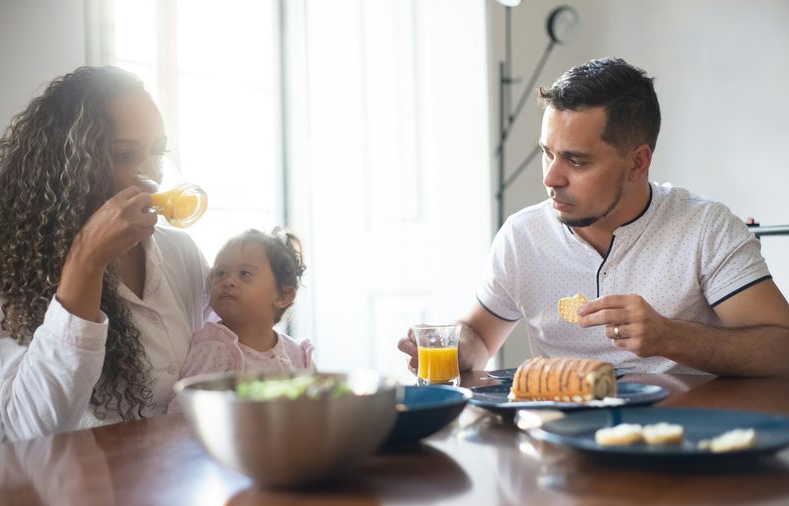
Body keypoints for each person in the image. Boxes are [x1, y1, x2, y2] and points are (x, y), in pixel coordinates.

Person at [399, 57, 789, 377]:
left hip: (679, 440)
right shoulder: (523, 236)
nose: (551, 177)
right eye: (547, 153)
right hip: (558, 444)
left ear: (637, 162)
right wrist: (451, 347)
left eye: (576, 160)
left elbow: (782, 348)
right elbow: (481, 340)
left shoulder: (705, 228)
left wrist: (671, 337)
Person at [0, 66, 211, 442]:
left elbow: (224, 354)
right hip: (77, 497)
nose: (151, 176)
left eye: (156, 153)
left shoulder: (181, 255)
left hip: (178, 486)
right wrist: (87, 260)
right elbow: (34, 430)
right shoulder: (8, 266)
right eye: (125, 155)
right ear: (68, 167)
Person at [168, 228, 313, 412]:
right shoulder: (213, 349)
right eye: (220, 273)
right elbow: (182, 415)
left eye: (245, 273)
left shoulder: (299, 355)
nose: (228, 281)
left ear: (283, 295)